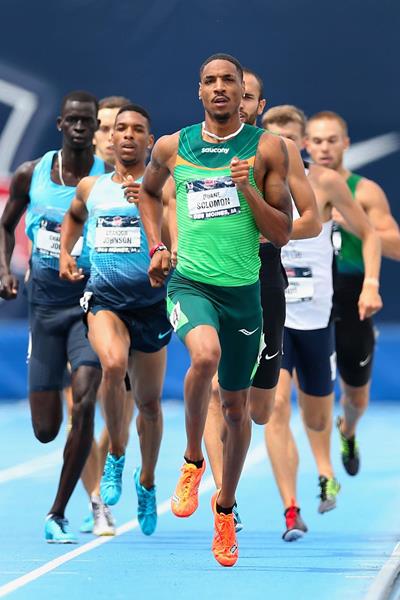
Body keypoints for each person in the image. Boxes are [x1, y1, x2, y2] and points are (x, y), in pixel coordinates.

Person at [138, 53, 293, 567]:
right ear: (199, 92)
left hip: (244, 292)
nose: (221, 87)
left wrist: (246, 186)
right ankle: (191, 462)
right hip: (190, 283)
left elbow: (281, 232)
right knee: (202, 355)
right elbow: (147, 191)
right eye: (211, 81)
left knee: (236, 408)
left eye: (230, 80)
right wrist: (158, 246)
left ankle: (224, 509)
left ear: (243, 92)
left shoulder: (267, 148)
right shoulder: (172, 145)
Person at [202, 68, 321, 533]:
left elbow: (307, 218)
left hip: (265, 279)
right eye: (231, 91)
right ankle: (219, 495)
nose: (237, 100)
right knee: (213, 383)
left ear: (259, 105)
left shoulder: (275, 151)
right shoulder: (195, 149)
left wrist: (271, 228)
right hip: (210, 280)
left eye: (247, 96)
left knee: (259, 409)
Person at [262, 105, 382, 541]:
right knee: (275, 407)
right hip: (271, 316)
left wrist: (370, 283)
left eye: (292, 137)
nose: (283, 143)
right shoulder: (250, 183)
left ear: (304, 143)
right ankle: (290, 509)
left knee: (317, 414)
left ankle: (327, 469)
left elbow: (369, 234)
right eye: (275, 136)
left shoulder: (325, 183)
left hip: (317, 319)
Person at [0, 91, 110, 543]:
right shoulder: (33, 173)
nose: (82, 128)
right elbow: (5, 224)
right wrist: (5, 269)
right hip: (45, 307)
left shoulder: (110, 178)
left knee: (83, 401)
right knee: (46, 430)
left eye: (89, 121)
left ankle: (58, 510)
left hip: (91, 305)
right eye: (74, 121)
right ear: (60, 125)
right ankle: (67, 479)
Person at [60, 103, 171, 536]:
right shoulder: (92, 186)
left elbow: (180, 236)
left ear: (149, 140)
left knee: (149, 404)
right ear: (110, 139)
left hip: (151, 304)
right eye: (119, 128)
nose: (125, 135)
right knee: (111, 364)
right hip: (104, 298)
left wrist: (153, 206)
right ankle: (118, 457)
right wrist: (68, 253)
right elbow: (73, 216)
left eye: (136, 129)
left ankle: (146, 482)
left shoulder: (166, 185)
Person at [306, 111, 400, 476]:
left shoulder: (364, 191)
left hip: (351, 293)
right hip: (307, 292)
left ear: (346, 144)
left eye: (333, 140)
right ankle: (321, 468)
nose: (325, 147)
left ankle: (348, 429)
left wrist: (350, 220)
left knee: (356, 395)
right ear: (305, 145)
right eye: (318, 140)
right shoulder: (299, 187)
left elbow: (394, 244)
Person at [73, 93, 132, 536]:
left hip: (128, 302)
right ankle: (97, 504)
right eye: (108, 127)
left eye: (123, 127)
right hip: (76, 301)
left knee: (129, 404)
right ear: (97, 135)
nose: (116, 136)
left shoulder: (139, 179)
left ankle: (123, 462)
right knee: (80, 404)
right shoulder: (80, 180)